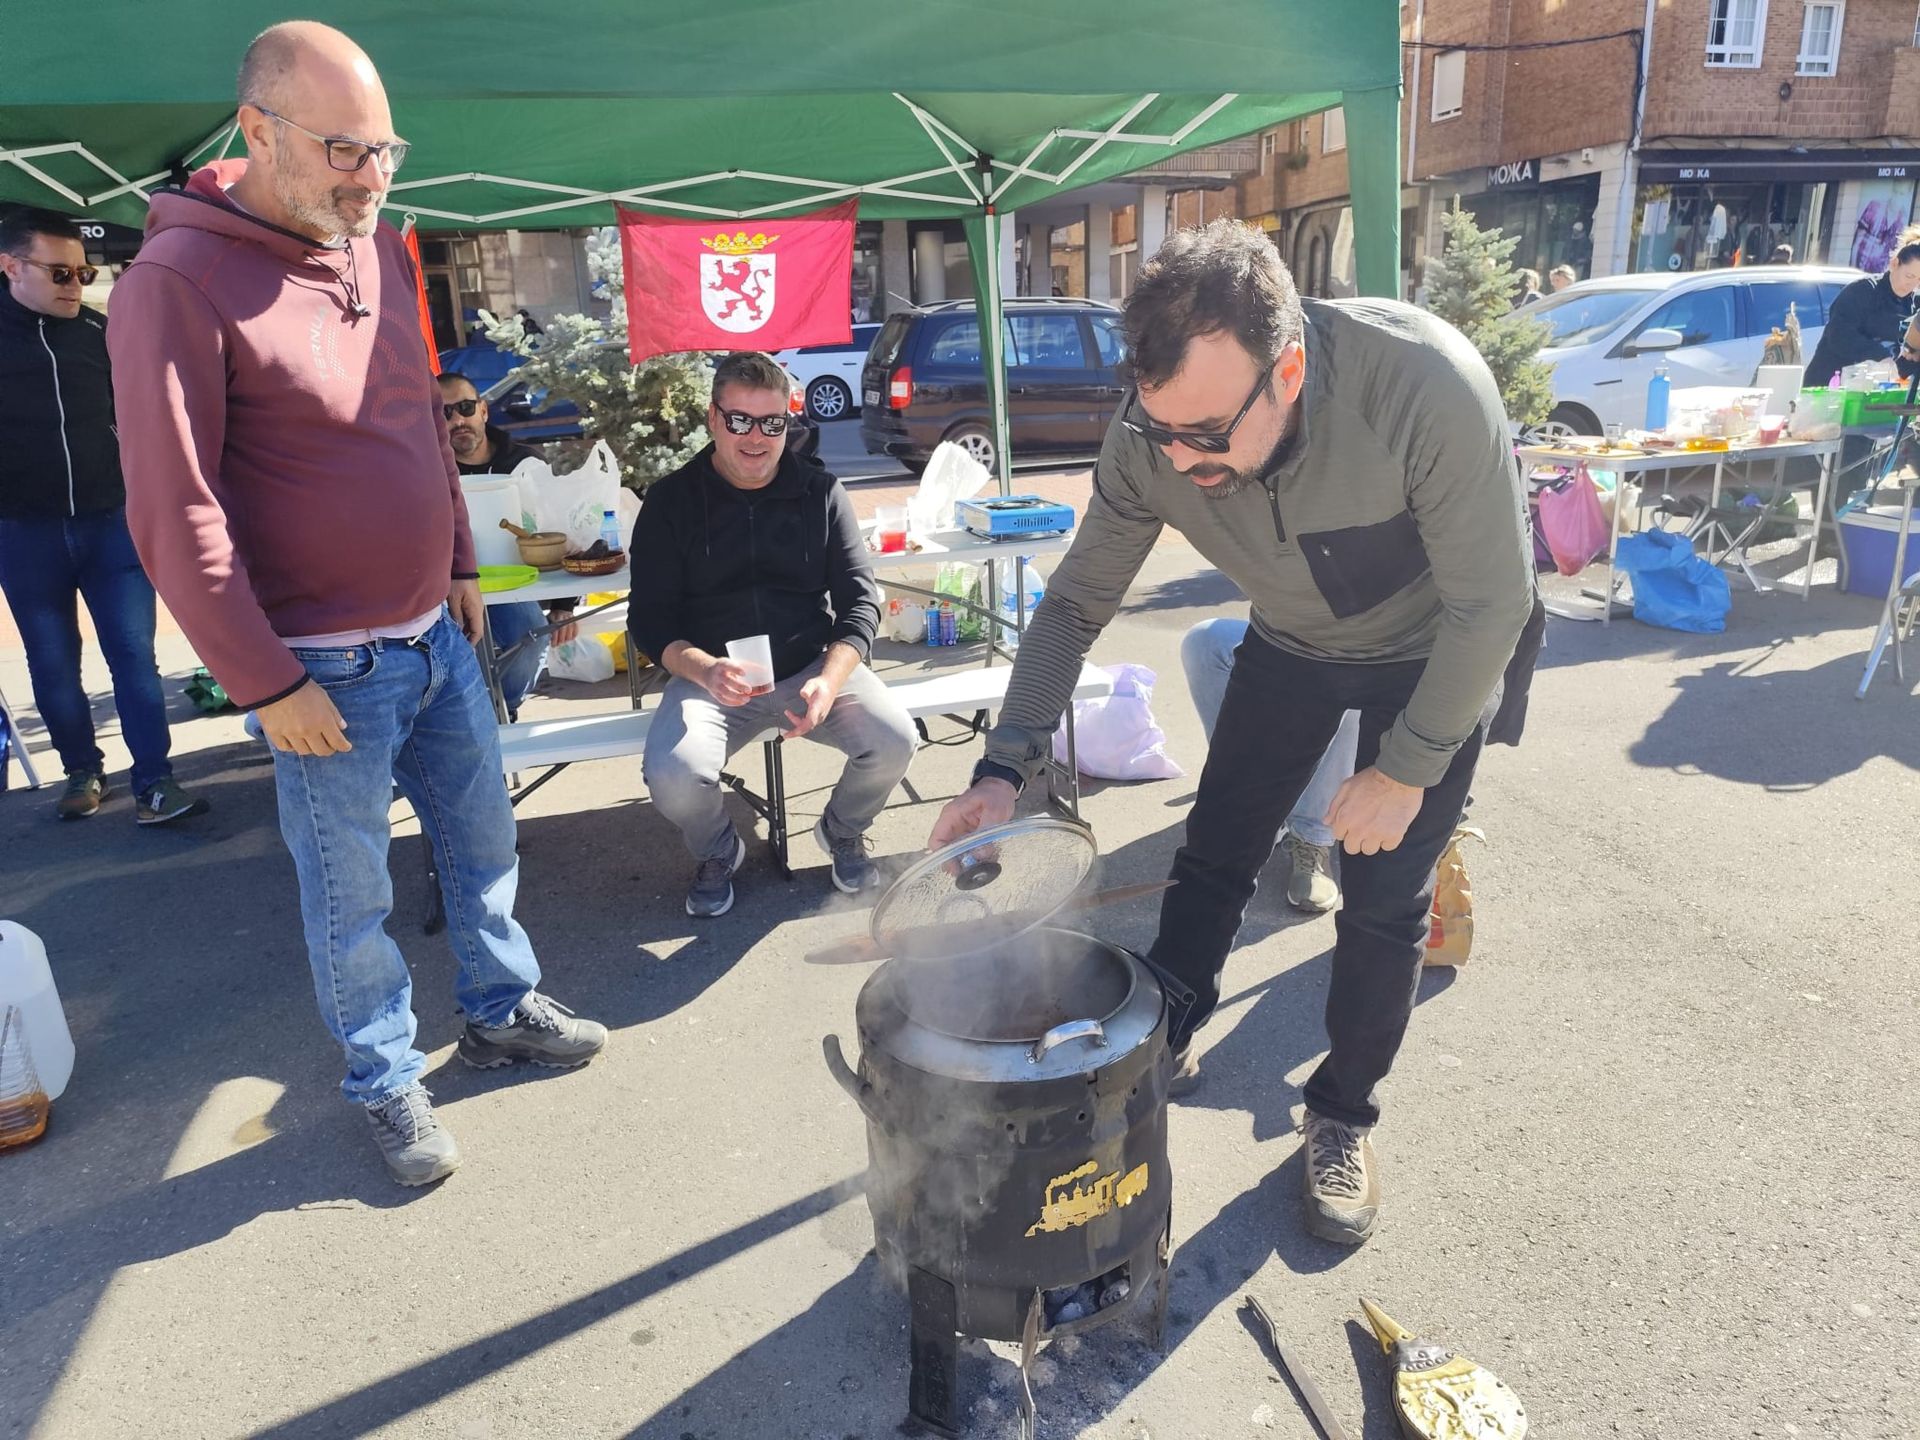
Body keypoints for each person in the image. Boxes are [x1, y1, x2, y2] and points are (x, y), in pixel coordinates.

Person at [928, 220, 1535, 1247]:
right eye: (1161, 430)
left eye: (1206, 434)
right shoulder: (1153, 437)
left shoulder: (1422, 385)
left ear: (1287, 368)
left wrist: (1407, 767)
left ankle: (1342, 1115)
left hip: (1436, 647)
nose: (1181, 459)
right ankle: (1165, 1034)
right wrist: (1004, 764)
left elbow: (1495, 604)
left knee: (1384, 899)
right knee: (1215, 850)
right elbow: (1076, 606)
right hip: (1294, 639)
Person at [106, 21, 606, 1187]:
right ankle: (386, 1082)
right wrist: (263, 679)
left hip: (431, 632)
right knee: (353, 897)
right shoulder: (174, 284)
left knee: (484, 847)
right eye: (342, 149)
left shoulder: (373, 244)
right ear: (256, 130)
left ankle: (499, 1009)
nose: (371, 178)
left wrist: (462, 562)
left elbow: (416, 420)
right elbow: (171, 509)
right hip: (319, 668)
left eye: (385, 149)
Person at [630, 351, 916, 918]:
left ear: (788, 421)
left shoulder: (820, 493)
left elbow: (861, 604)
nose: (755, 438)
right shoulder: (670, 502)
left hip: (809, 665)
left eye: (771, 423)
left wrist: (831, 681)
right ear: (713, 419)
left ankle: (841, 832)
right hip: (710, 678)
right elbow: (651, 621)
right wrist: (705, 668)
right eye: (739, 420)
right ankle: (718, 849)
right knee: (671, 775)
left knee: (895, 741)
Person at [0, 207, 208, 825]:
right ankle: (82, 771)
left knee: (134, 655)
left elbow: (150, 421)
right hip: (23, 530)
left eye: (84, 273)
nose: (76, 286)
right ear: (10, 266)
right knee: (52, 662)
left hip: (110, 523)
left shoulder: (100, 332)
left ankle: (155, 781)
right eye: (61, 273)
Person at [1181, 619, 1356, 912]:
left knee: (1352, 670)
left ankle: (1312, 835)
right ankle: (1250, 806)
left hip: (1370, 647)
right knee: (1205, 642)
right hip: (1294, 630)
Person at [437, 371, 577, 720]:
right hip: (447, 587)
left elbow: (555, 528)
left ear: (483, 411)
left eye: (465, 407)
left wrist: (564, 604)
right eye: (444, 413)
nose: (457, 420)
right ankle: (474, 719)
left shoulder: (524, 463)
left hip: (512, 584)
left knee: (531, 636)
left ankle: (499, 711)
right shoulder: (428, 470)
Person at [1803, 227, 1920, 388]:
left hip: (1875, 392)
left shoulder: (1914, 304)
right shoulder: (1862, 291)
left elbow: (1904, 355)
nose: (1912, 284)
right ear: (1894, 264)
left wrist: (1914, 353)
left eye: (1919, 280)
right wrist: (1880, 355)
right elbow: (1839, 335)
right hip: (1829, 385)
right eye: (1909, 276)